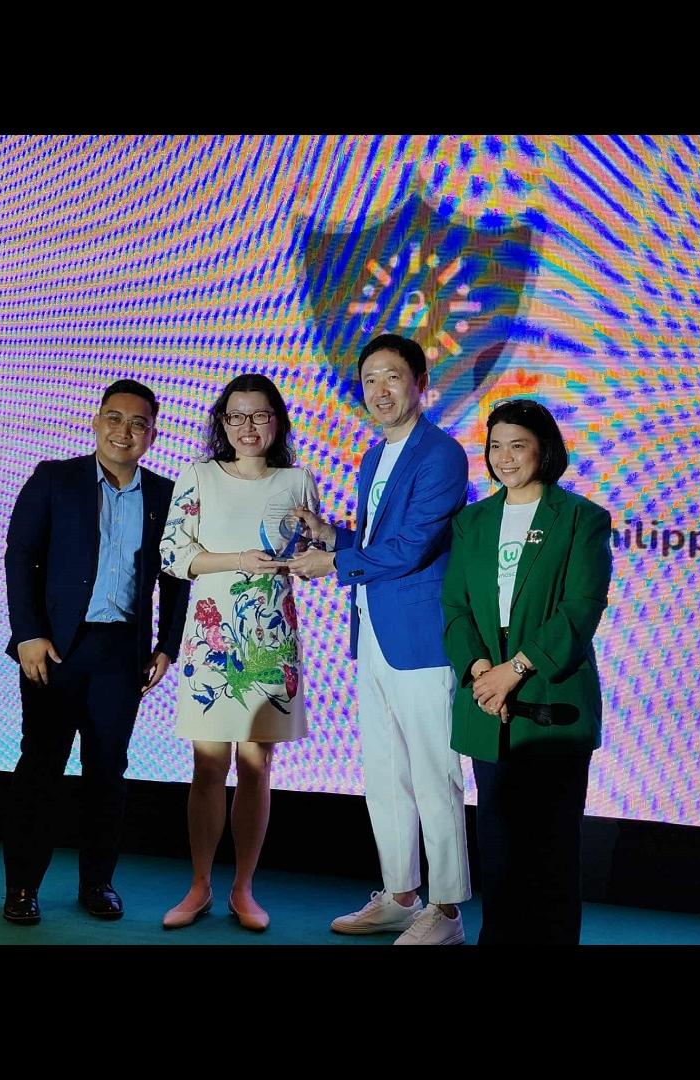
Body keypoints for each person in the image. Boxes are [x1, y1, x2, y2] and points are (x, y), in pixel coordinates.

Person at [290, 333, 471, 945]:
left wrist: (334, 564)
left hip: (420, 640)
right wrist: (331, 536)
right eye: (370, 380)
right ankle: (399, 896)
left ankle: (446, 911)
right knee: (384, 773)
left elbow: (411, 548)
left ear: (421, 384)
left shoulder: (440, 454)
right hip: (371, 633)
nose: (380, 390)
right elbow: (376, 544)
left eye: (393, 377)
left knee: (435, 775)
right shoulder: (373, 456)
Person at [1, 378, 189, 925]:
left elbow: (177, 575)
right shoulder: (54, 479)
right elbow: (20, 556)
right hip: (55, 649)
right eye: (114, 418)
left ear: (152, 435)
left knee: (107, 771)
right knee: (40, 768)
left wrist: (167, 645)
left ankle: (97, 884)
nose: (124, 431)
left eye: (138, 423)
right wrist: (27, 633)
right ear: (96, 421)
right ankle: (22, 888)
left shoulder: (166, 495)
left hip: (121, 654)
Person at [441, 398, 612, 944]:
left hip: (551, 701)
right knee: (499, 846)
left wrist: (513, 670)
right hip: (487, 703)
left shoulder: (582, 518)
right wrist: (481, 672)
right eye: (496, 446)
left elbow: (581, 608)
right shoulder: (471, 521)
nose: (505, 457)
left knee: (552, 848)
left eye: (518, 445)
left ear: (545, 450)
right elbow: (455, 608)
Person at [159, 374, 319, 933]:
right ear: (222, 423)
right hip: (212, 639)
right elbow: (174, 555)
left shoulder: (298, 480)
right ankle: (199, 884)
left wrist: (311, 554)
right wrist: (238, 560)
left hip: (270, 639)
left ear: (278, 421)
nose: (247, 427)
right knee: (208, 766)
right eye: (236, 416)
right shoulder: (198, 475)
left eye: (259, 415)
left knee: (257, 766)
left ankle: (243, 888)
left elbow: (311, 557)